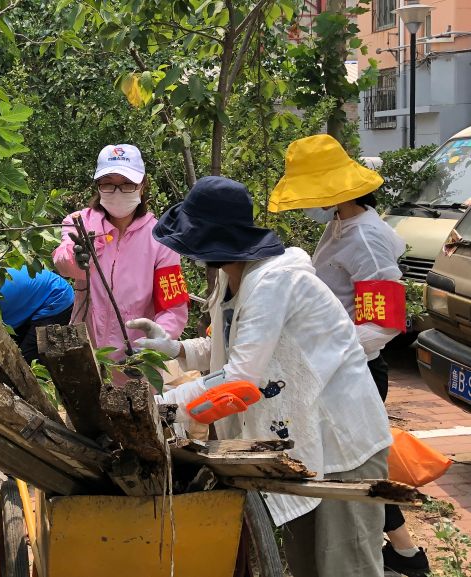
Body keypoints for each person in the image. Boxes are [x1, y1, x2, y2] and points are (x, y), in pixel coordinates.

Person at [129, 176, 393, 577]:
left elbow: (239, 378)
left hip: (340, 442)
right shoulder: (235, 279)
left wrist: (163, 408)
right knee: (307, 564)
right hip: (301, 445)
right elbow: (234, 349)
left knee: (347, 567)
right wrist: (177, 349)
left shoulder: (273, 281)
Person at [269, 134, 428, 577]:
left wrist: (327, 351)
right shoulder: (342, 223)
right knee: (338, 465)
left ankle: (405, 555)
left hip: (353, 366)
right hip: (331, 363)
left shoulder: (367, 237)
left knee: (352, 466)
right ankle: (405, 554)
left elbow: (385, 322)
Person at [52, 144, 188, 358]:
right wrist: (78, 259)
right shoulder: (81, 223)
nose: (117, 192)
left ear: (142, 185)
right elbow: (63, 261)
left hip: (135, 358)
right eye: (108, 184)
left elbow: (173, 307)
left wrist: (155, 345)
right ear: (97, 186)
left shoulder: (161, 240)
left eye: (127, 184)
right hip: (85, 351)